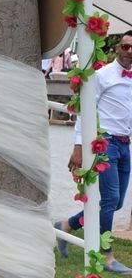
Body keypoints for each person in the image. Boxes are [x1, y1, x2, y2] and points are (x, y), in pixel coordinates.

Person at [55, 31, 132, 273]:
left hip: (125, 143)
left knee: (116, 203)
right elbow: (85, 112)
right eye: (125, 46)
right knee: (109, 199)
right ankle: (106, 254)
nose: (129, 51)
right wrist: (78, 146)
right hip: (105, 142)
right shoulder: (101, 75)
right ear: (117, 48)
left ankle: (66, 225)